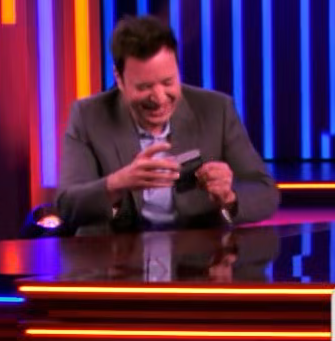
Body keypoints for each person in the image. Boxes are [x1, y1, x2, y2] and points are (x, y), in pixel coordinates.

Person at [55, 15, 278, 233]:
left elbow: (266, 193)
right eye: (144, 87)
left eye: (168, 82)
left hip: (197, 254)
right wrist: (116, 184)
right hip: (116, 253)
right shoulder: (88, 116)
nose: (159, 98)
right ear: (119, 79)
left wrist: (229, 196)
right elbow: (67, 205)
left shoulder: (216, 109)